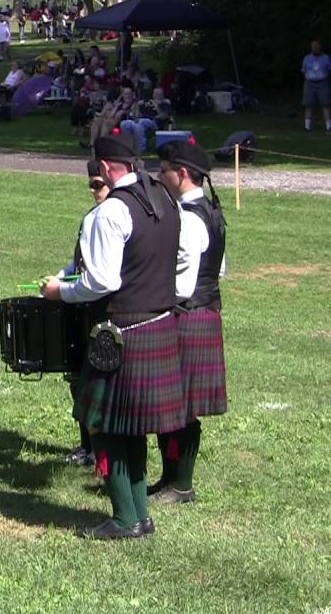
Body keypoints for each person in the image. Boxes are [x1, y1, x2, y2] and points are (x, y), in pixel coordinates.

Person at [40, 134, 183, 540]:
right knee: (132, 427)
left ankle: (125, 519)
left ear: (104, 168)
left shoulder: (110, 212)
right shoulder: (165, 199)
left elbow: (102, 280)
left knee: (106, 426)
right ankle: (139, 516)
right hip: (160, 324)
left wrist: (60, 290)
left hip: (123, 332)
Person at [151, 141, 228, 504]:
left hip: (187, 313)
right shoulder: (212, 211)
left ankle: (180, 485)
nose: (158, 175)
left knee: (178, 405)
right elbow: (220, 269)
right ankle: (172, 481)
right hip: (205, 310)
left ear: (180, 173)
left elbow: (180, 282)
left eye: (162, 169)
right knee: (181, 405)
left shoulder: (186, 218)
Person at [58, 159, 112, 467]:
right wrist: (60, 276)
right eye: (91, 185)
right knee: (77, 376)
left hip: (102, 307)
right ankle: (87, 444)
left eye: (99, 185)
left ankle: (101, 451)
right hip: (81, 303)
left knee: (96, 381)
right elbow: (78, 262)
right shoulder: (91, 218)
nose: (94, 191)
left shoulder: (114, 217)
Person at [301, 39, 331, 133]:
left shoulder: (326, 58)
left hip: (323, 83)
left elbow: (329, 69)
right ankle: (307, 127)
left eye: (317, 45)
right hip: (309, 83)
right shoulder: (306, 58)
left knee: (325, 104)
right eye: (313, 46)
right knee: (308, 105)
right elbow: (304, 70)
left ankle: (329, 127)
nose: (315, 47)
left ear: (320, 46)